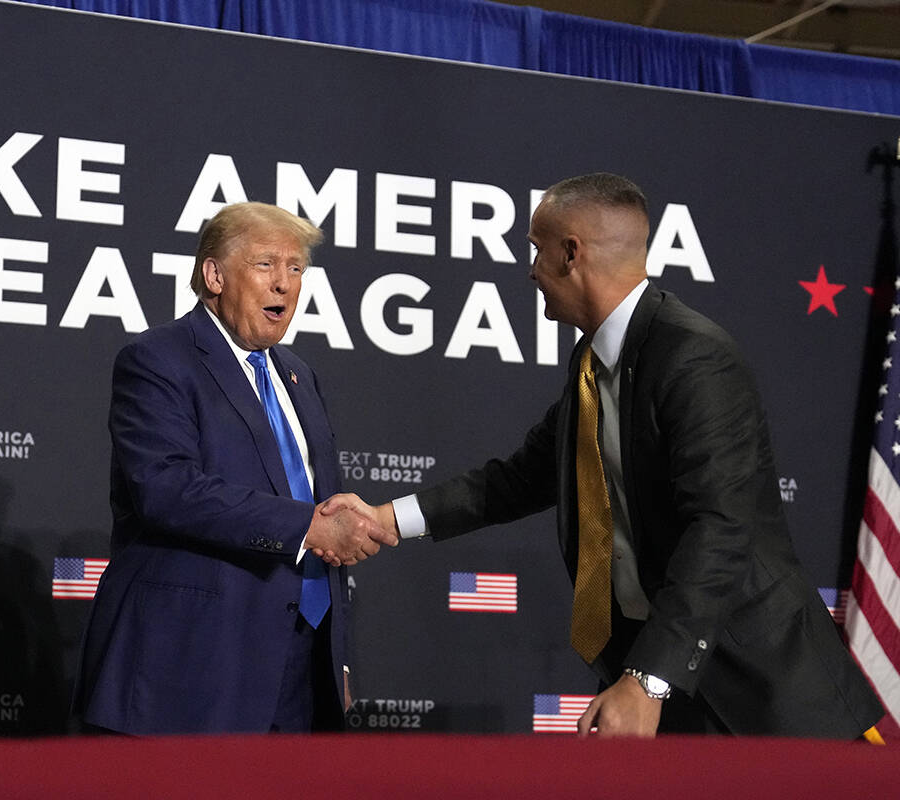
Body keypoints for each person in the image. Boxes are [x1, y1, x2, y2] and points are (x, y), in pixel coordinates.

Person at [319, 173, 885, 738]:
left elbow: (719, 528)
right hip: (657, 675)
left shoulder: (694, 357)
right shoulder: (592, 365)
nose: (530, 270)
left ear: (571, 254)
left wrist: (647, 682)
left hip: (754, 688)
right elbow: (517, 481)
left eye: (536, 250)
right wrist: (385, 520)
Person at [73, 201, 396, 735]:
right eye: (266, 264)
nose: (284, 285)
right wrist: (310, 527)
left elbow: (311, 495)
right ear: (214, 275)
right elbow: (166, 488)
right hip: (195, 662)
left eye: (296, 269)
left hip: (301, 662)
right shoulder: (158, 359)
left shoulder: (298, 374)